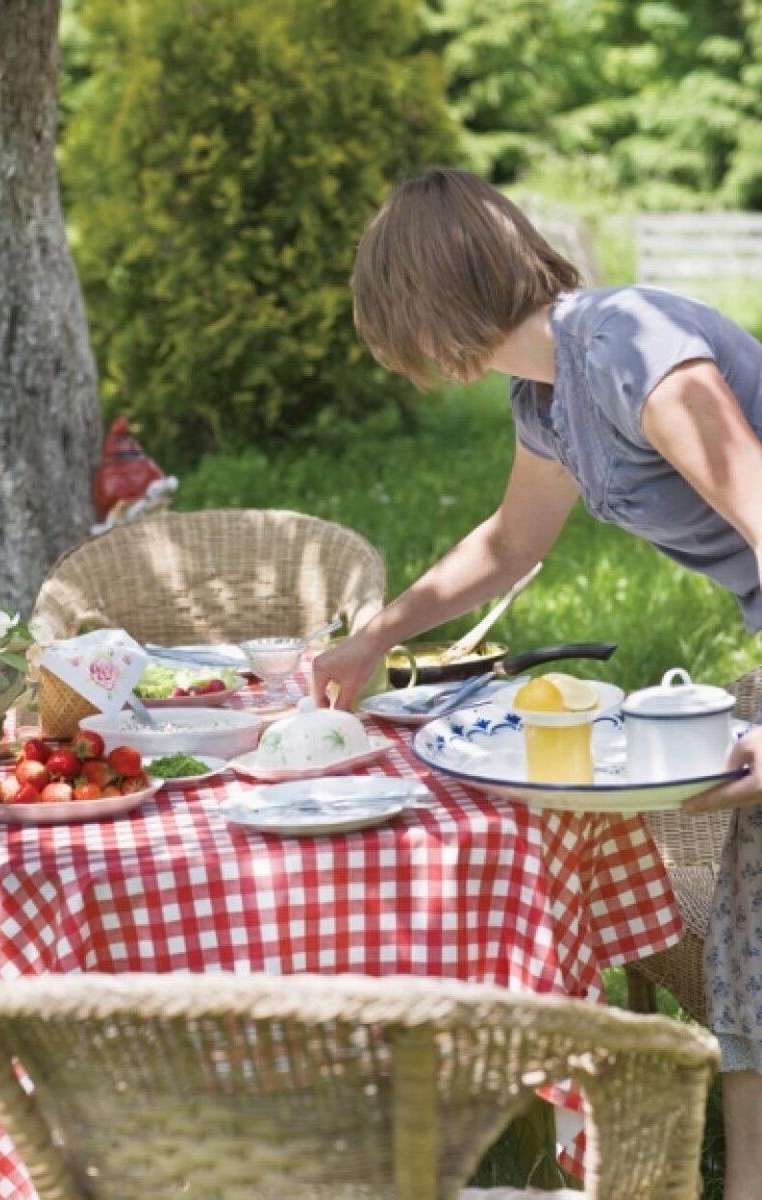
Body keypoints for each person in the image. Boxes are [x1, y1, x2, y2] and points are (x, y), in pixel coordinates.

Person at [310, 167, 762, 1200]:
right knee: (747, 928)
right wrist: (368, 640)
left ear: (424, 303)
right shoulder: (548, 392)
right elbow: (511, 544)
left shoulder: (624, 344)